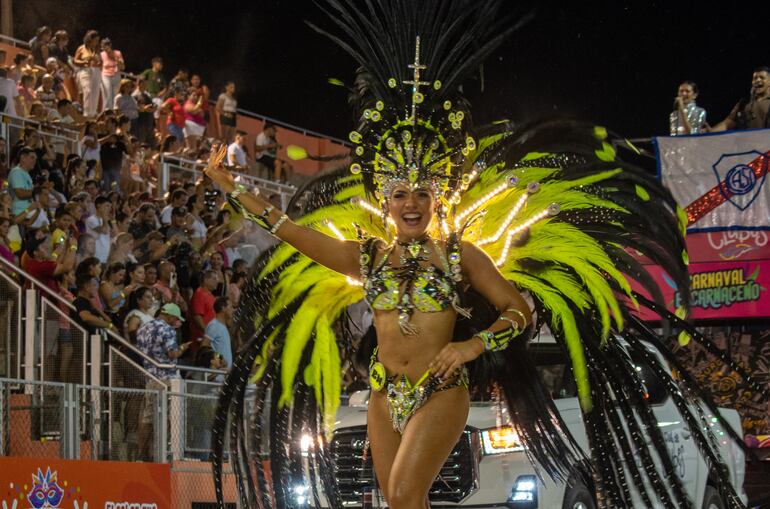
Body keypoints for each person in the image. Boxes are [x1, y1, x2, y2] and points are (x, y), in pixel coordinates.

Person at [208, 3, 747, 508]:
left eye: (423, 194)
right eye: (401, 194)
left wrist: (471, 346)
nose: (412, 203)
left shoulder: (458, 255)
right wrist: (233, 188)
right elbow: (287, 228)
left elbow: (518, 312)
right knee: (397, 502)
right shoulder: (365, 258)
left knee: (404, 495)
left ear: (436, 199)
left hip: (442, 392)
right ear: (386, 202)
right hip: (382, 393)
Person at [712, 66, 770, 131]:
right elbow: (729, 122)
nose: (758, 80)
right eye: (755, 78)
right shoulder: (744, 102)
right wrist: (711, 131)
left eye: (762, 77)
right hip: (745, 137)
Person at [73, 30, 102, 117]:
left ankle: (92, 114)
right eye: (95, 40)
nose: (97, 42)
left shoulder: (96, 50)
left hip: (96, 71)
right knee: (87, 91)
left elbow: (100, 62)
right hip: (85, 71)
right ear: (90, 39)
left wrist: (98, 61)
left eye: (98, 41)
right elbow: (75, 61)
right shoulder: (81, 48)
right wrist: (85, 61)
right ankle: (86, 114)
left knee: (95, 94)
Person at [204, 296, 233, 369]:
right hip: (216, 374)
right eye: (231, 307)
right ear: (223, 308)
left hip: (224, 374)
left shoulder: (224, 326)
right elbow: (204, 346)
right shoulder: (214, 325)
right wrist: (220, 358)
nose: (233, 310)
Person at [8, 147, 36, 217]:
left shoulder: (26, 173)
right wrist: (37, 191)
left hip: (28, 211)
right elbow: (20, 194)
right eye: (32, 158)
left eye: (35, 159)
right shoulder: (16, 172)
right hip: (20, 212)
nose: (34, 161)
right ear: (23, 158)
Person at [100, 38, 125, 112]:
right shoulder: (101, 54)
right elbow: (99, 66)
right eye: (102, 47)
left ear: (110, 45)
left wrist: (116, 59)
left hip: (116, 75)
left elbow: (122, 67)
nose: (104, 48)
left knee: (116, 94)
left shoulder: (117, 53)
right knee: (107, 93)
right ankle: (107, 111)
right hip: (105, 75)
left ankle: (115, 111)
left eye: (105, 46)